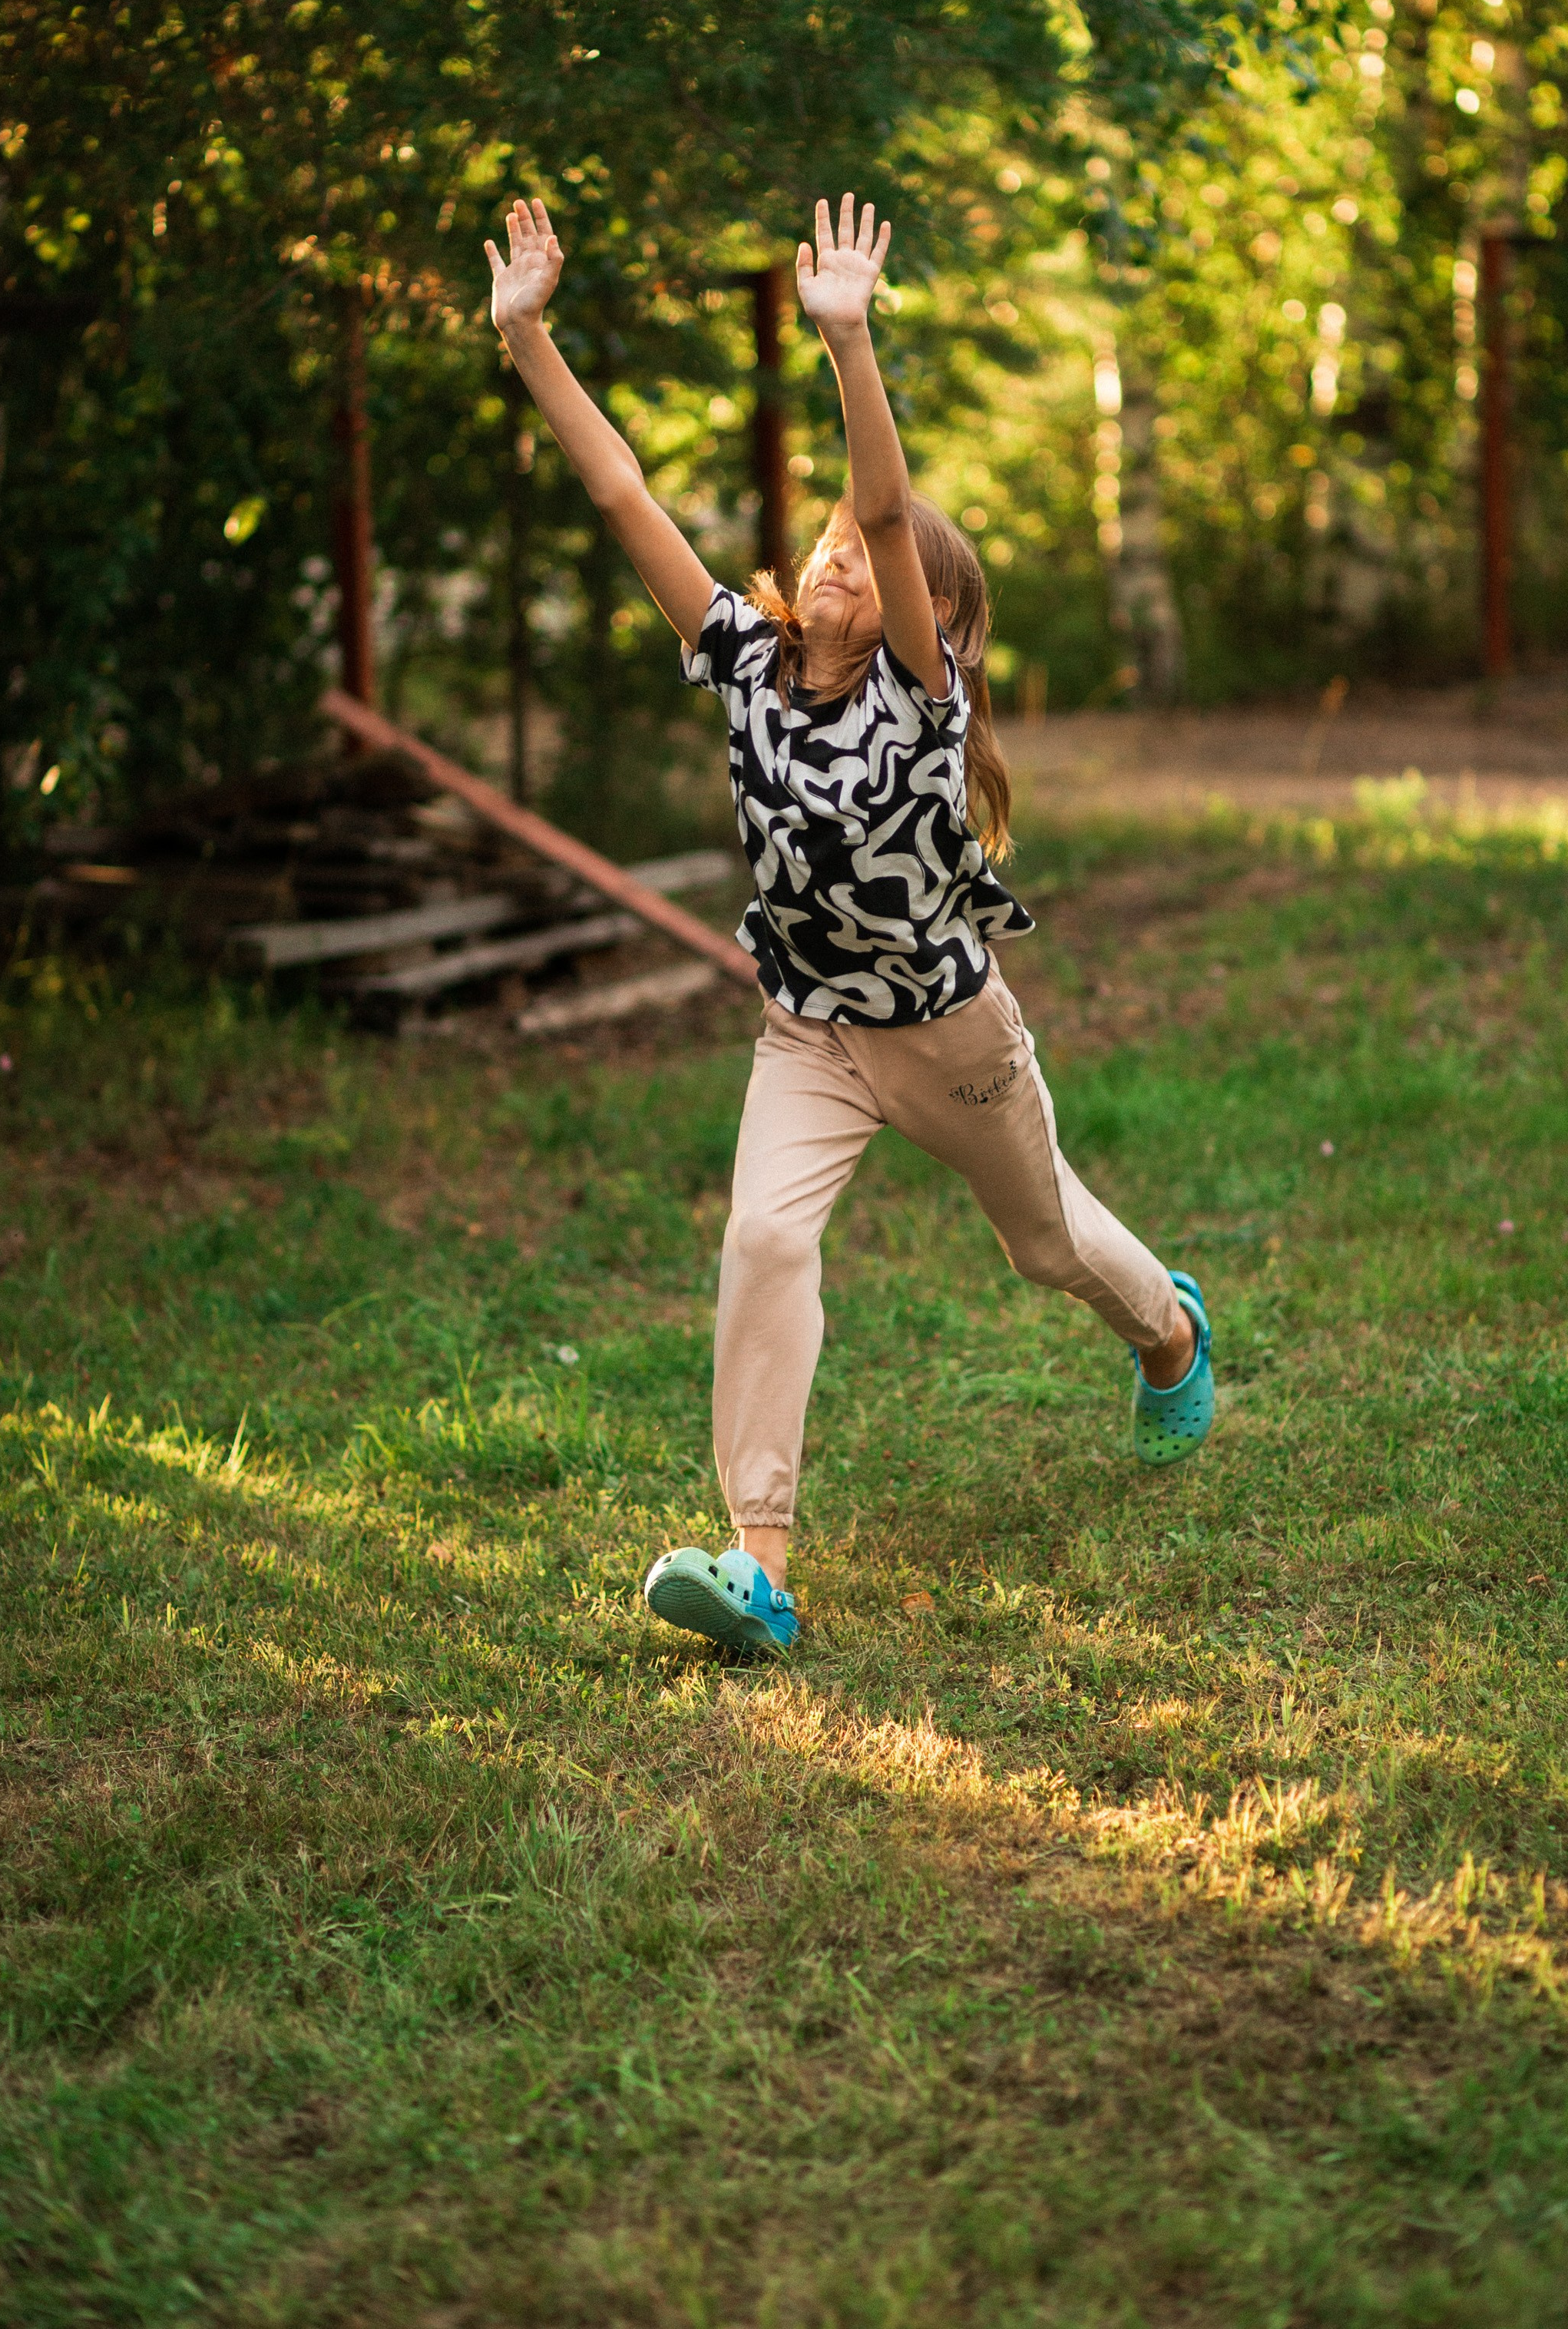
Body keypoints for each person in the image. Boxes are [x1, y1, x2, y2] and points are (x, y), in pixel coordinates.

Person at [486, 189, 1213, 1657]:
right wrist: (530, 343)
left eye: (870, 562)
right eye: (822, 542)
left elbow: (889, 504)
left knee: (1047, 1242)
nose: (836, 554)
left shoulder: (920, 704)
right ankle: (760, 1565)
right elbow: (627, 494)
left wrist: (848, 341)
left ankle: (1172, 1332)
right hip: (808, 1031)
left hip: (950, 1035)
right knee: (761, 1239)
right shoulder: (742, 658)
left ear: (922, 613)